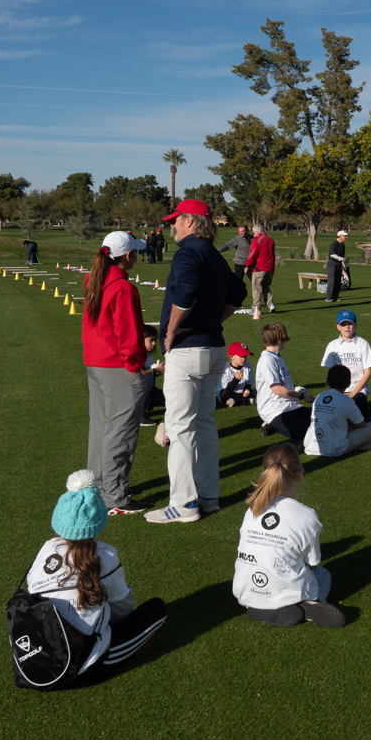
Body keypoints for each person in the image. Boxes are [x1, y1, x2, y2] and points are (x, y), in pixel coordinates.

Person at [147, 201, 246, 525]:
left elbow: (186, 291)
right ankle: (208, 496)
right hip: (213, 349)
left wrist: (171, 330)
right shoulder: (215, 256)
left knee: (179, 428)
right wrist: (213, 321)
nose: (172, 226)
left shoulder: (188, 253)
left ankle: (184, 503)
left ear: (190, 220)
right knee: (203, 424)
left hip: (188, 351)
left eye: (176, 221)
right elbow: (238, 292)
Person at [22, 471, 166, 682]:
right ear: (99, 520)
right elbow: (123, 608)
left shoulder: (46, 549)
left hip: (38, 658)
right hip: (82, 668)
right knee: (156, 611)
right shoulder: (106, 554)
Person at [233, 443, 346, 628]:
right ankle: (312, 605)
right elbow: (313, 561)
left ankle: (259, 607)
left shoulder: (252, 508)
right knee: (323, 573)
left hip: (245, 590)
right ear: (299, 474)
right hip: (284, 587)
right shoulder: (307, 516)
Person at [80, 230, 150, 517]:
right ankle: (115, 495)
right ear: (128, 255)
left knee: (101, 426)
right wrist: (137, 366)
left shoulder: (96, 278)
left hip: (96, 363)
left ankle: (98, 487)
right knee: (119, 432)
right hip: (117, 366)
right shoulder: (122, 287)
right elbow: (129, 334)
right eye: (136, 252)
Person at [305, 365, 371, 456]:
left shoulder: (320, 396)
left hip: (310, 445)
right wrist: (348, 424)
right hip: (335, 448)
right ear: (348, 384)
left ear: (327, 381)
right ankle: (353, 445)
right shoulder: (346, 400)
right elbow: (361, 424)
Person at [256, 323, 311, 440]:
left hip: (290, 405)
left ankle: (271, 425)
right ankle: (271, 423)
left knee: (318, 424)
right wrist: (302, 395)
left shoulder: (277, 357)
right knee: (306, 435)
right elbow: (276, 389)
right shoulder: (267, 360)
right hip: (273, 408)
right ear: (280, 339)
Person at [320, 309, 371, 406]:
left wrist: (353, 393)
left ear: (355, 325)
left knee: (356, 415)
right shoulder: (332, 345)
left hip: (359, 390)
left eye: (350, 323)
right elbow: (331, 372)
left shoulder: (363, 344)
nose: (347, 326)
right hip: (337, 389)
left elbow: (368, 372)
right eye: (343, 324)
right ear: (338, 327)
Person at [244, 224, 276, 320]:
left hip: (259, 268)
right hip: (270, 268)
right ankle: (271, 305)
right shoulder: (270, 239)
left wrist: (247, 265)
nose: (253, 235)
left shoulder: (257, 240)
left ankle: (256, 309)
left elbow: (252, 254)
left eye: (253, 233)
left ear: (257, 232)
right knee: (265, 286)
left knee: (256, 289)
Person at [218, 341, 256, 409]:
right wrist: (236, 380)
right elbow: (228, 389)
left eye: (245, 356)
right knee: (224, 394)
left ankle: (235, 401)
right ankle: (248, 401)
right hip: (229, 392)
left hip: (241, 393)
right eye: (241, 356)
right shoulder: (226, 368)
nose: (244, 359)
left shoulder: (248, 366)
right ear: (232, 356)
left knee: (259, 390)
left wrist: (247, 390)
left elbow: (248, 383)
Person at [140, 324, 164, 425]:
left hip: (142, 389)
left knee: (169, 398)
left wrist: (158, 371)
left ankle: (148, 401)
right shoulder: (137, 354)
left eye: (155, 340)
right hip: (130, 390)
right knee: (149, 378)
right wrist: (154, 371)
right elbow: (138, 373)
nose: (154, 343)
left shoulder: (148, 356)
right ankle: (140, 415)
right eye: (151, 340)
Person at [324, 230, 349, 303]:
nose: (346, 237)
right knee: (332, 281)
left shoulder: (342, 245)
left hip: (339, 264)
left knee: (338, 281)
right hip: (332, 264)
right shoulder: (334, 244)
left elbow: (343, 254)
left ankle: (335, 297)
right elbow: (332, 254)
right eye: (345, 236)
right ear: (340, 236)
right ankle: (329, 297)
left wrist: (344, 259)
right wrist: (342, 258)